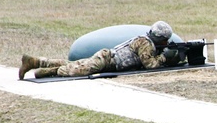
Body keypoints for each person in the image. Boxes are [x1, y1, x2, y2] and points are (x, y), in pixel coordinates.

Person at [19, 21, 182, 79]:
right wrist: (166, 57)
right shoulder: (145, 43)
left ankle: (36, 63)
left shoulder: (147, 41)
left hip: (107, 61)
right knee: (79, 71)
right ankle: (46, 70)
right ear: (160, 38)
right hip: (106, 60)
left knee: (74, 64)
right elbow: (151, 66)